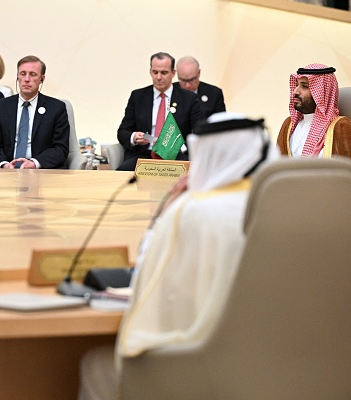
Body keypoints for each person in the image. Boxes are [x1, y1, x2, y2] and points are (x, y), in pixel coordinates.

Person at [78, 112, 279, 400]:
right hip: (282, 368)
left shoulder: (194, 211)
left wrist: (168, 207)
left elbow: (148, 275)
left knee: (97, 365)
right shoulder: (287, 209)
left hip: (206, 376)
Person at [116, 52, 204, 171]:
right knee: (122, 172)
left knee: (189, 172)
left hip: (175, 156)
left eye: (164, 73)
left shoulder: (188, 99)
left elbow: (200, 131)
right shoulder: (138, 97)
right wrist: (134, 137)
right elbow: (122, 132)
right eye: (155, 72)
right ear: (150, 71)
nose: (158, 77)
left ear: (173, 73)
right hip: (144, 155)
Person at [0, 55, 70, 169]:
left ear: (42, 79)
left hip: (42, 171)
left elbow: (61, 149)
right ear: (17, 76)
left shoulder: (56, 108)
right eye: (23, 74)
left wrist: (34, 163)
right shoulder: (0, 107)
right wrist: (4, 165)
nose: (27, 79)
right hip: (9, 173)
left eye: (33, 74)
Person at [276, 63, 351, 158]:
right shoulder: (288, 125)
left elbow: (345, 169)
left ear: (322, 93)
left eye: (305, 86)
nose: (295, 91)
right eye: (297, 85)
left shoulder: (340, 126)